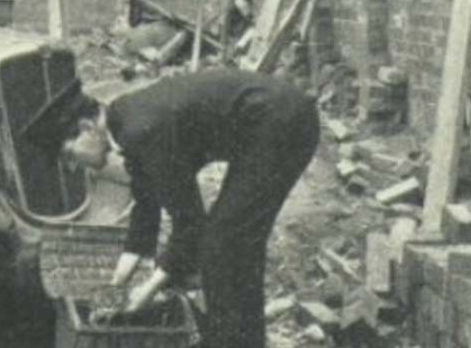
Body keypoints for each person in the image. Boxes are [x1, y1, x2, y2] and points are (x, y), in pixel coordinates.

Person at [23, 69, 320, 348]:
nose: (74, 167)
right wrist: (115, 287)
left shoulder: (141, 130)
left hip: (282, 124)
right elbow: (146, 207)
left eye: (68, 156)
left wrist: (146, 292)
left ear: (86, 128)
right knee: (230, 245)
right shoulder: (125, 121)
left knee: (222, 244)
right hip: (269, 125)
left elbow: (190, 222)